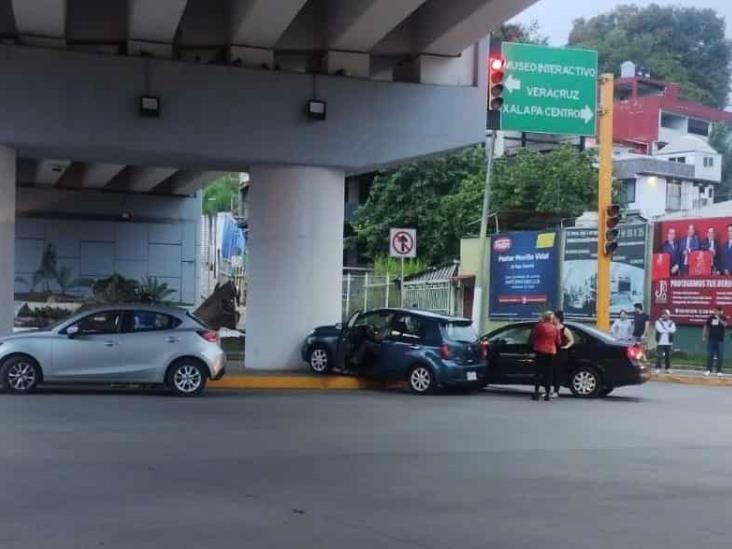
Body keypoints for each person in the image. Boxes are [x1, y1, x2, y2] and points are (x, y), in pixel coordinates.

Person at [530, 311, 561, 401]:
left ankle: (536, 392)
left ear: (544, 317)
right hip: (551, 352)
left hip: (540, 351)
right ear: (551, 319)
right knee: (548, 373)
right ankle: (547, 394)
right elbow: (558, 342)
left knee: (538, 372)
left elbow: (534, 336)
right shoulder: (556, 329)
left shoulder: (539, 326)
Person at [551, 310, 574, 398]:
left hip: (560, 353)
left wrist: (566, 347)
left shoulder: (564, 329)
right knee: (550, 372)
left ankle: (556, 391)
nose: (553, 319)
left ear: (558, 319)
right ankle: (548, 389)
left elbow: (571, 340)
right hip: (551, 351)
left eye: (555, 318)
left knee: (558, 372)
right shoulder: (551, 327)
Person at [703, 306, 727, 377]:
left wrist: (719, 319)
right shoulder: (710, 318)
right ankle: (708, 370)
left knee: (720, 356)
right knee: (710, 355)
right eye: (714, 311)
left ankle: (719, 371)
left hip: (720, 340)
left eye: (716, 311)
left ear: (720, 311)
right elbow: (706, 327)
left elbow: (725, 325)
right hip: (711, 340)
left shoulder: (723, 317)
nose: (715, 312)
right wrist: (704, 336)